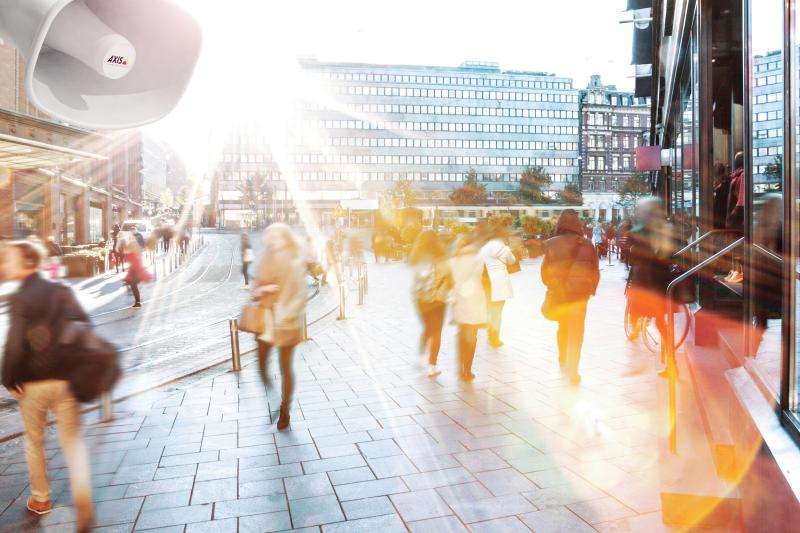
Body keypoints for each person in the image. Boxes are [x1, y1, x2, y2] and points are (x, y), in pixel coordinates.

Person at [0, 241, 94, 531]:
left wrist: (7, 378)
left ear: (28, 262)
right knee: (72, 440)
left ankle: (41, 499)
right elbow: (84, 324)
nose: (4, 265)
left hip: (35, 384)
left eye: (9, 260)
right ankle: (82, 498)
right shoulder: (61, 290)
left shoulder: (22, 298)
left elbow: (14, 345)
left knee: (35, 440)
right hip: (66, 380)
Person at [253, 223, 308, 430]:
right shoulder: (265, 257)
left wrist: (287, 313)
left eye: (275, 235)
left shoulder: (294, 259)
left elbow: (301, 294)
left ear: (286, 237)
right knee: (261, 368)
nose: (271, 239)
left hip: (287, 322)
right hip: (265, 321)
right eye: (268, 235)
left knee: (285, 368)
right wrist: (263, 289)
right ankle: (275, 400)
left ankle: (285, 410)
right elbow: (255, 288)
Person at [541, 210, 600, 385]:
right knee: (577, 331)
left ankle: (562, 361)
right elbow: (595, 272)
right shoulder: (588, 244)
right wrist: (590, 290)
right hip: (580, 297)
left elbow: (544, 273)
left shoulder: (550, 244)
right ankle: (574, 370)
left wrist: (553, 286)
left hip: (560, 295)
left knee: (563, 328)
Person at [626, 198, 677, 376]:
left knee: (646, 314)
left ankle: (672, 365)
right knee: (662, 323)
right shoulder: (667, 228)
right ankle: (671, 364)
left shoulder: (642, 231)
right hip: (662, 282)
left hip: (648, 282)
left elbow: (634, 255)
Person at [409, 231, 453, 377]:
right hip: (437, 299)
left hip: (420, 300)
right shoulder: (442, 258)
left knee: (427, 328)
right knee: (436, 332)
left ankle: (420, 357)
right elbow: (450, 279)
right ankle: (432, 365)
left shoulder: (416, 259)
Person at [449, 232, 488, 381]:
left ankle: (459, 368)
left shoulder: (452, 261)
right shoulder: (478, 259)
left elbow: (450, 282)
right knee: (472, 336)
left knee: (461, 335)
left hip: (459, 300)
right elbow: (481, 278)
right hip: (475, 300)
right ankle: (467, 371)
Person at [479, 226, 516, 348]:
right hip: (500, 283)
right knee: (498, 312)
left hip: (487, 282)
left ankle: (490, 334)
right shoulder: (504, 248)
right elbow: (512, 261)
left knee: (490, 309)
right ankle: (495, 338)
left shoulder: (483, 248)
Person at [123, 236, 151, 308]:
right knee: (132, 285)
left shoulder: (132, 254)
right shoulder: (135, 252)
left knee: (133, 285)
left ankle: (138, 302)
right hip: (136, 271)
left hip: (137, 272)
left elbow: (129, 260)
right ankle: (137, 301)